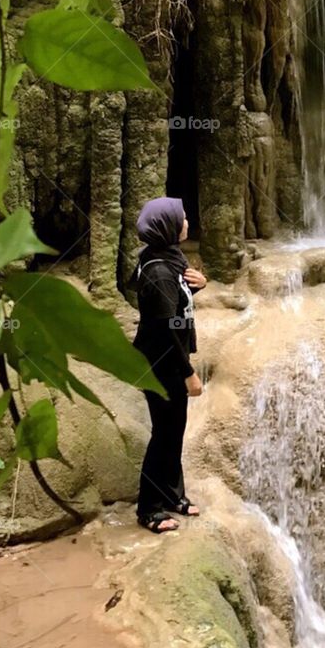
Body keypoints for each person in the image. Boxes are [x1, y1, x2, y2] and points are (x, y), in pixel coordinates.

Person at [131, 196, 207, 533]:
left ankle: (172, 495)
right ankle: (149, 508)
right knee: (164, 433)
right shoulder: (160, 272)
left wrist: (200, 286)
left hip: (168, 359)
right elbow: (165, 329)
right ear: (167, 227)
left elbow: (176, 304)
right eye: (183, 218)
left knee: (174, 429)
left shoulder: (167, 260)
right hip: (160, 363)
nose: (187, 223)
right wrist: (188, 373)